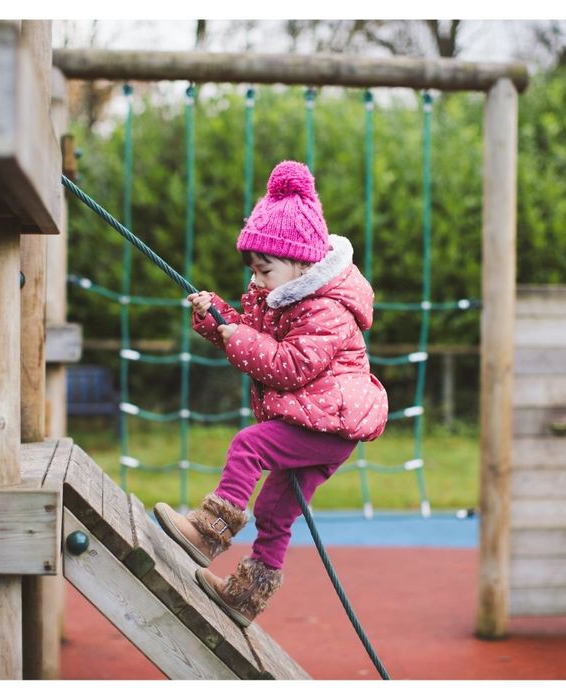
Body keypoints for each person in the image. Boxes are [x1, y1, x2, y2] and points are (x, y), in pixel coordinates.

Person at [154, 160, 388, 627]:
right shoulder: (283, 297)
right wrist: (217, 317)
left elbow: (287, 365)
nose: (257, 281)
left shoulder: (326, 309)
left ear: (301, 262)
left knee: (249, 445)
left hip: (330, 424)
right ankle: (246, 597)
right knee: (274, 511)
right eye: (254, 271)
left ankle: (208, 533)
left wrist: (232, 337)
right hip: (316, 420)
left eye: (265, 270)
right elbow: (251, 335)